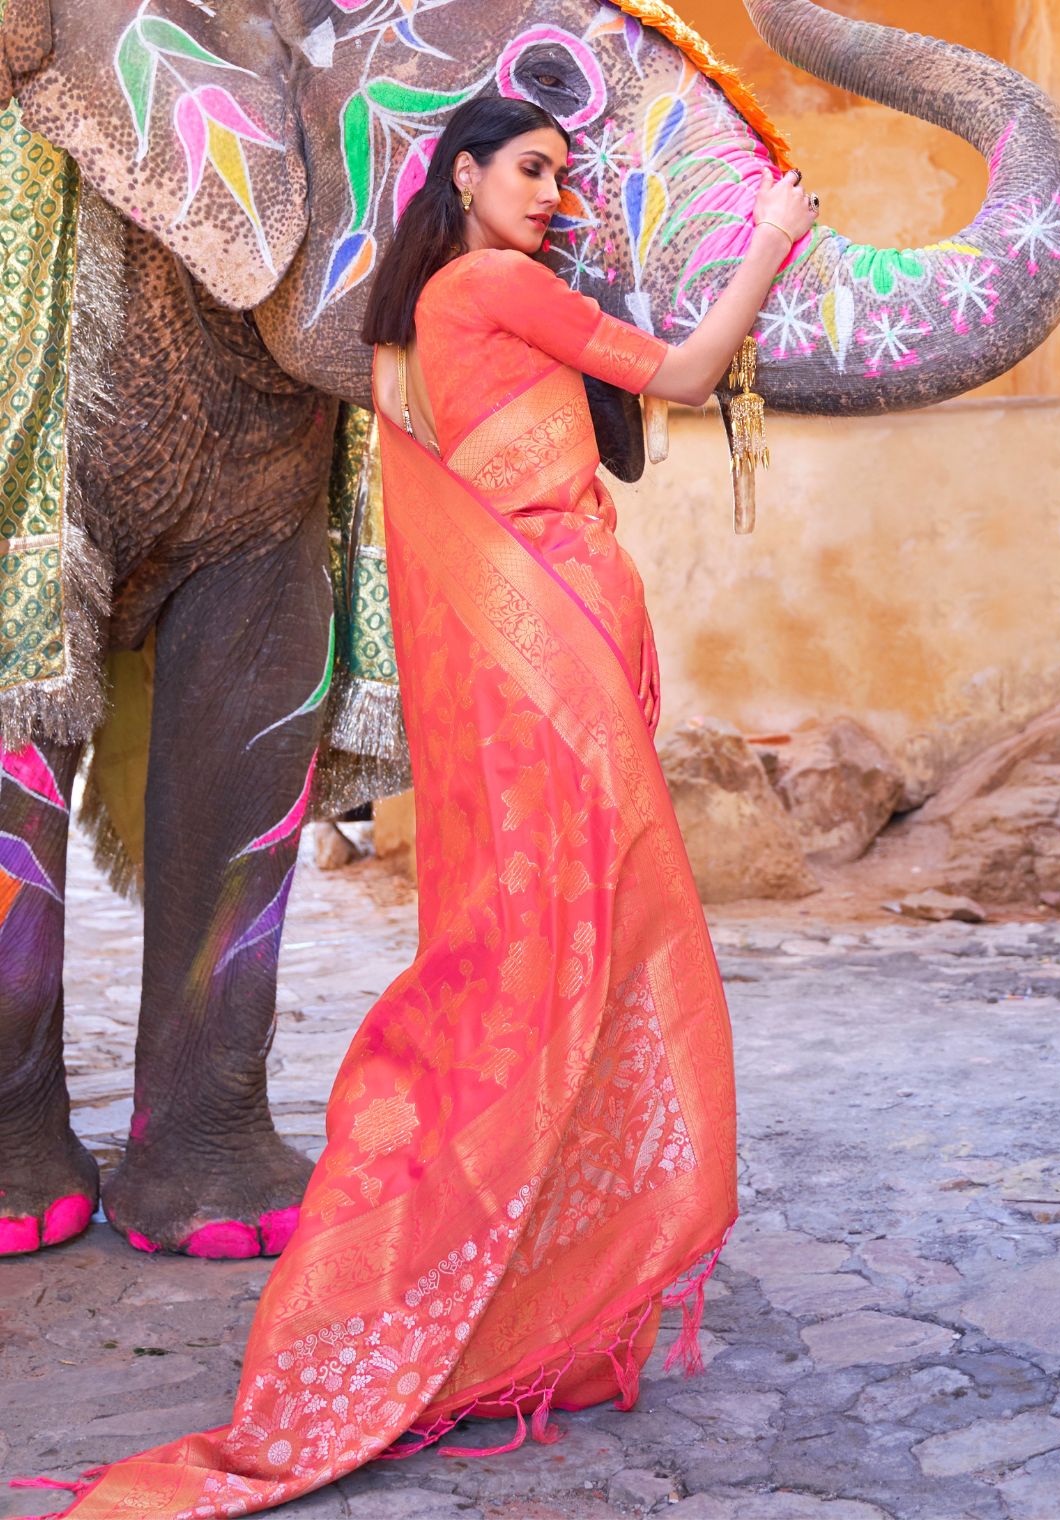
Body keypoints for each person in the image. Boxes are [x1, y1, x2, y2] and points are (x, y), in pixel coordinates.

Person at [25, 96, 816, 1519]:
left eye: (562, 176)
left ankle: (506, 1268)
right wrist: (766, 240)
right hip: (558, 643)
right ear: (461, 175)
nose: (551, 194)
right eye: (530, 170)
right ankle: (525, 1272)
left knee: (527, 948)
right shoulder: (499, 281)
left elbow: (453, 439)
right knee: (591, 948)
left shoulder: (405, 328)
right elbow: (691, 374)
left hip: (525, 660)